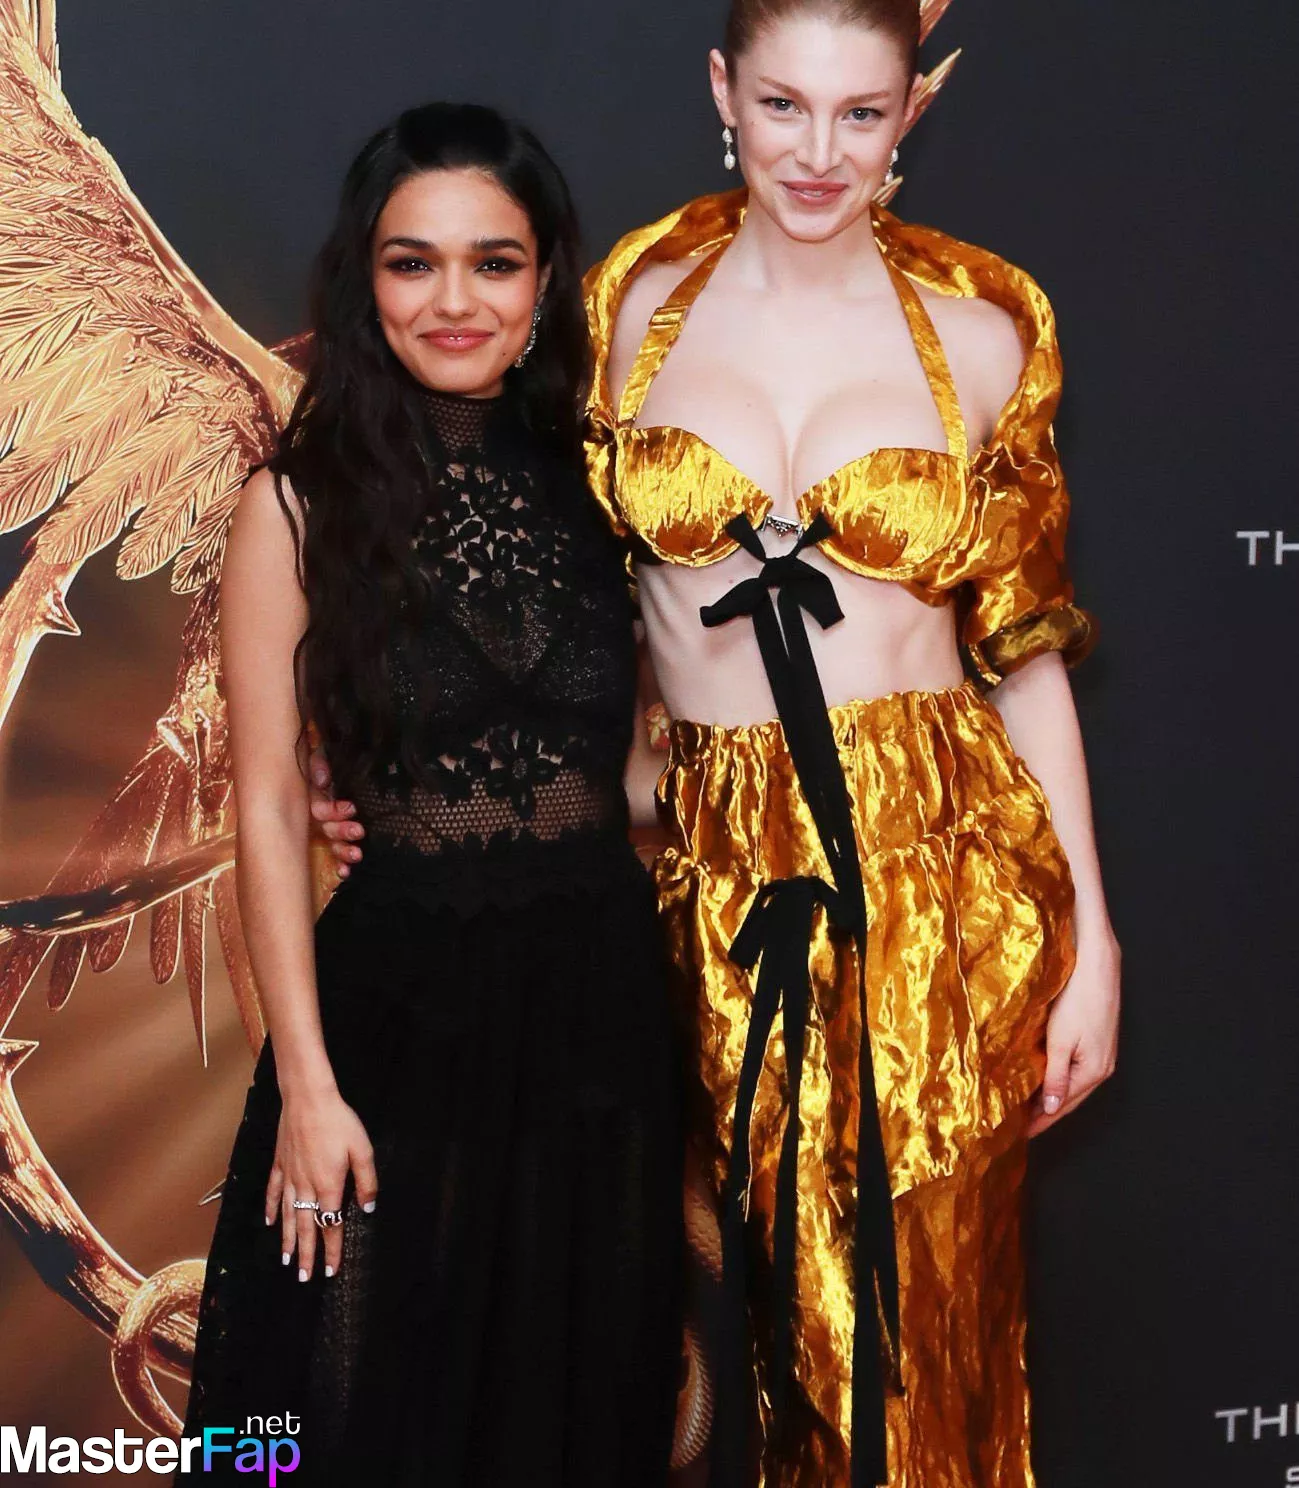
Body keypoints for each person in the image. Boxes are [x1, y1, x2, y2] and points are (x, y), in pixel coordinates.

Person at [317, 3, 1122, 1482]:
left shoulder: (986, 325)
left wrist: (1093, 939)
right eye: (785, 104)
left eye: (861, 113)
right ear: (722, 92)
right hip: (712, 869)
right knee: (760, 1317)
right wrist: (381, 761)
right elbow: (514, 570)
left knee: (924, 1319)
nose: (819, 151)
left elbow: (1023, 658)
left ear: (909, 115)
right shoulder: (624, 307)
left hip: (938, 860)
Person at [180, 102, 683, 1486]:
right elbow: (268, 804)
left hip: (597, 1018)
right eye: (414, 262)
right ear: (366, 280)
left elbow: (625, 773)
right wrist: (308, 1087)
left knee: (572, 1410)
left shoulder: (607, 489)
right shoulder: (294, 506)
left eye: (493, 262)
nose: (455, 301)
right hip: (390, 1023)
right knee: (350, 1416)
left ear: (545, 279)